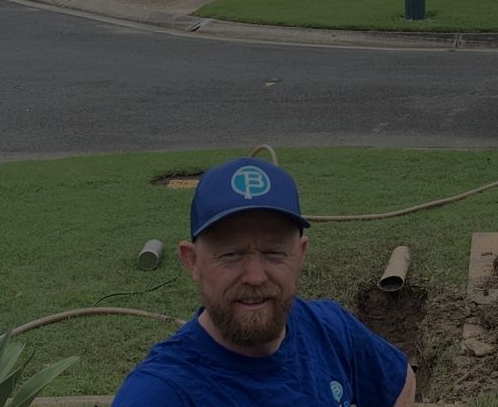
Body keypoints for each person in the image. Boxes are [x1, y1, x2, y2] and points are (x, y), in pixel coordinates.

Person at [113, 157, 416, 406]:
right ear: (193, 261)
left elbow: (401, 380)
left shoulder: (331, 329)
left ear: (300, 255)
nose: (255, 277)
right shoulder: (160, 394)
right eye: (231, 254)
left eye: (274, 252)